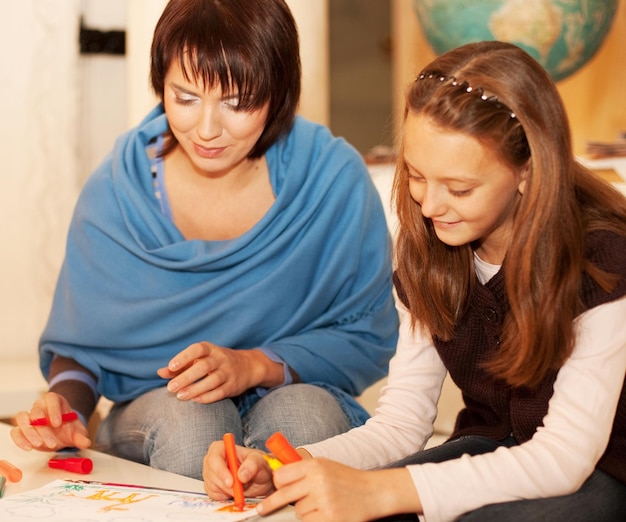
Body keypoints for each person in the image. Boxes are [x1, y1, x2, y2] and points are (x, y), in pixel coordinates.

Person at [203, 40, 626, 521]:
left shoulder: (605, 259)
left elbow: (562, 460)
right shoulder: (432, 246)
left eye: (460, 188)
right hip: (492, 448)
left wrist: (384, 492)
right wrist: (285, 465)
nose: (429, 206)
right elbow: (401, 425)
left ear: (528, 171)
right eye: (418, 176)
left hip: (605, 471)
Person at [10, 0, 398, 481]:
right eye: (186, 98)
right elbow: (84, 348)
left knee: (305, 419)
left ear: (280, 92)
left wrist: (255, 365)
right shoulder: (119, 187)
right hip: (159, 412)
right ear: (160, 84)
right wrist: (63, 410)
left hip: (297, 388)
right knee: (196, 420)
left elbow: (365, 333)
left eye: (237, 103)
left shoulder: (330, 180)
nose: (207, 130)